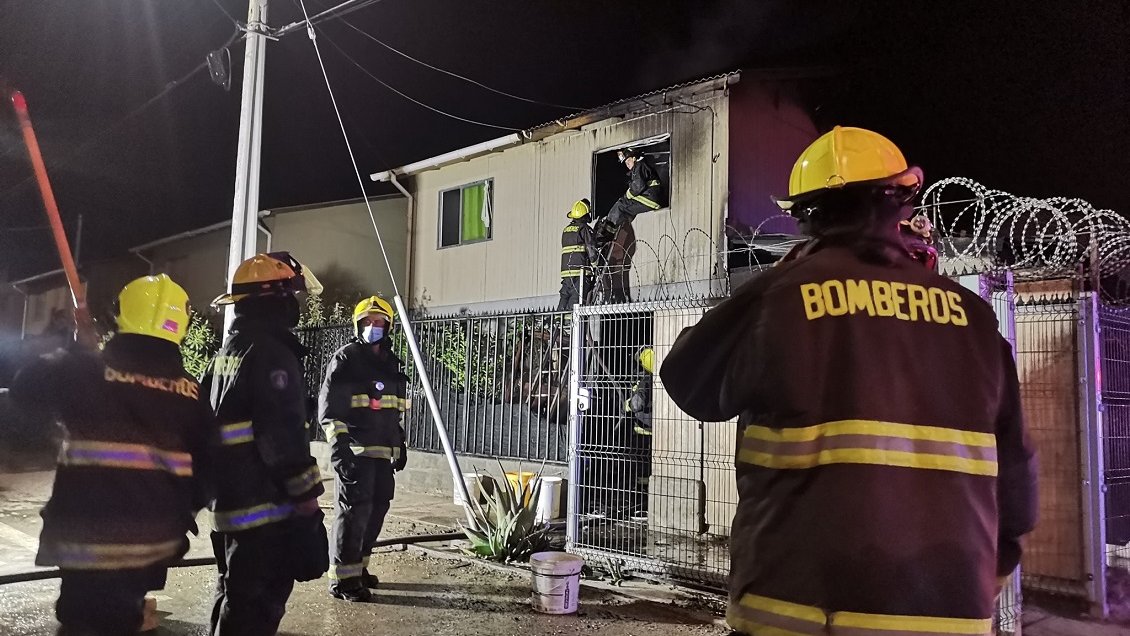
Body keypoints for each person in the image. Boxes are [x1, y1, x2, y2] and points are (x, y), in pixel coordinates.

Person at [660, 126, 1037, 635]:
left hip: (797, 611)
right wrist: (993, 565)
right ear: (903, 198)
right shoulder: (973, 318)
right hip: (949, 614)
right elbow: (1016, 472)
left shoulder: (783, 298)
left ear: (805, 214)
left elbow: (687, 378)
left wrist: (780, 277)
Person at [10, 274, 212, 635]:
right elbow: (209, 470)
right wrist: (182, 516)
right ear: (179, 322)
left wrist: (75, 352)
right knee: (121, 617)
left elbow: (24, 390)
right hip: (153, 542)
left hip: (85, 539)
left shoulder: (85, 369)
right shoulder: (191, 392)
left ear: (121, 314)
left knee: (84, 622)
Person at [202, 252, 328, 635]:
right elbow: (284, 439)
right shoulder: (272, 353)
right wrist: (308, 503)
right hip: (265, 515)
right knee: (254, 613)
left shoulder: (227, 355)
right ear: (274, 298)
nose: (296, 305)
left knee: (232, 601)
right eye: (292, 295)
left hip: (229, 511)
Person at [319, 295, 410, 602]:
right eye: (368, 322)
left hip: (383, 455)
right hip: (355, 454)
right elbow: (330, 412)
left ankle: (358, 570)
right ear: (358, 325)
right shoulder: (346, 359)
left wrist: (400, 445)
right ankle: (342, 581)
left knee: (376, 511)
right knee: (353, 514)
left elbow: (391, 412)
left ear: (389, 327)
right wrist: (340, 451)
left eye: (379, 322)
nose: (374, 327)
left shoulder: (390, 364)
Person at [595, 147, 663, 243]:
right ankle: (619, 230)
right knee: (626, 210)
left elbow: (637, 187)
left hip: (649, 199)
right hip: (650, 198)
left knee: (620, 205)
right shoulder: (641, 166)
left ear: (634, 158)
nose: (627, 165)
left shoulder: (639, 166)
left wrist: (626, 196)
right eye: (625, 163)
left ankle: (607, 234)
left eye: (628, 161)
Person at [558, 199, 599, 310]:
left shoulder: (566, 230)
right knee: (576, 301)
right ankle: (571, 324)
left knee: (564, 297)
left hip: (567, 273)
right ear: (585, 215)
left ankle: (558, 322)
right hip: (580, 273)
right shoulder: (584, 229)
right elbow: (591, 248)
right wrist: (596, 264)